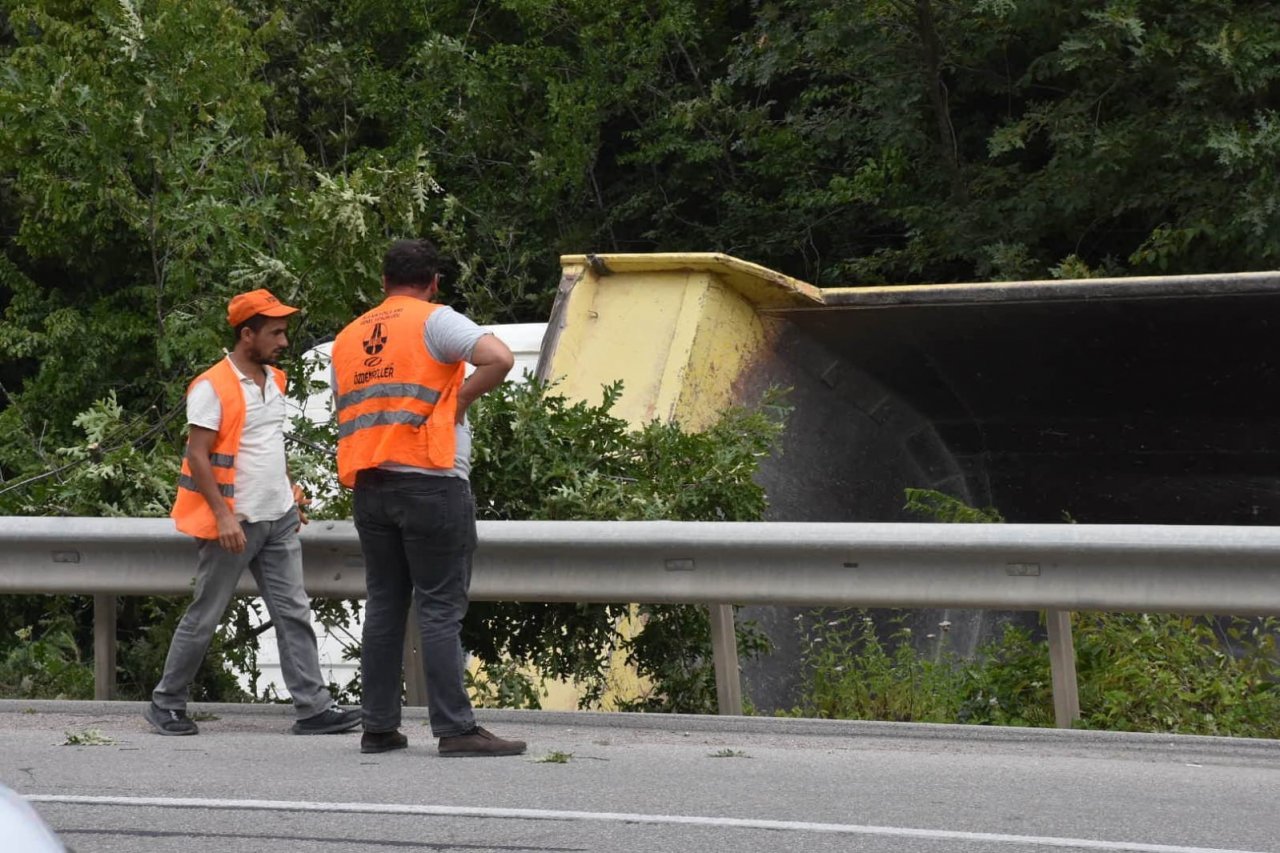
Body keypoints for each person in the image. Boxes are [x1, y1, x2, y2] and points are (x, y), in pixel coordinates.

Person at [331, 238, 525, 757]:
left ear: (383, 281)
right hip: (432, 482)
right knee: (439, 609)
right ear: (434, 280)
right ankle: (455, 729)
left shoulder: (349, 338)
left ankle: (378, 727)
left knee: (385, 606)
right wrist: (457, 402)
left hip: (371, 484)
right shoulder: (435, 320)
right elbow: (499, 358)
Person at [146, 289, 361, 737]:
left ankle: (313, 707)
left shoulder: (275, 380)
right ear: (248, 334)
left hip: (278, 517)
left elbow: (268, 445)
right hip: (235, 524)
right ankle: (166, 703)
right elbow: (199, 456)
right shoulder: (212, 386)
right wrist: (223, 517)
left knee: (294, 613)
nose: (284, 341)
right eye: (275, 332)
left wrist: (290, 493)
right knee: (206, 614)